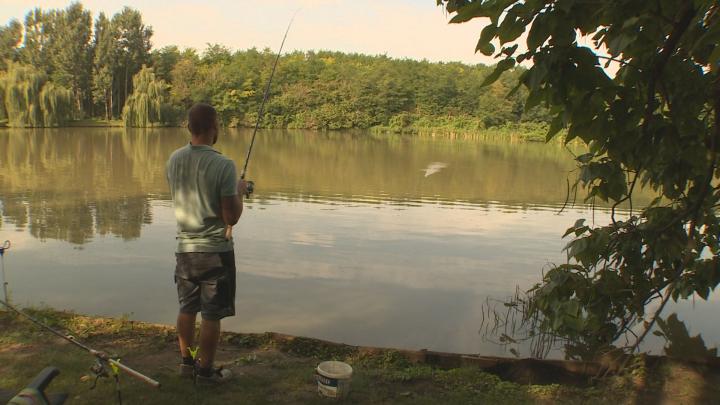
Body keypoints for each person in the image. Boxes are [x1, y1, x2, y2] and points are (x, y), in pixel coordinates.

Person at [166, 103, 247, 383]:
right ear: (215, 128)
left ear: (189, 128)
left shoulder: (173, 160)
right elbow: (231, 217)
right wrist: (239, 192)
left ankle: (187, 363)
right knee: (211, 315)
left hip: (184, 250)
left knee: (187, 309)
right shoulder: (224, 164)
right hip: (215, 253)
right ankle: (205, 371)